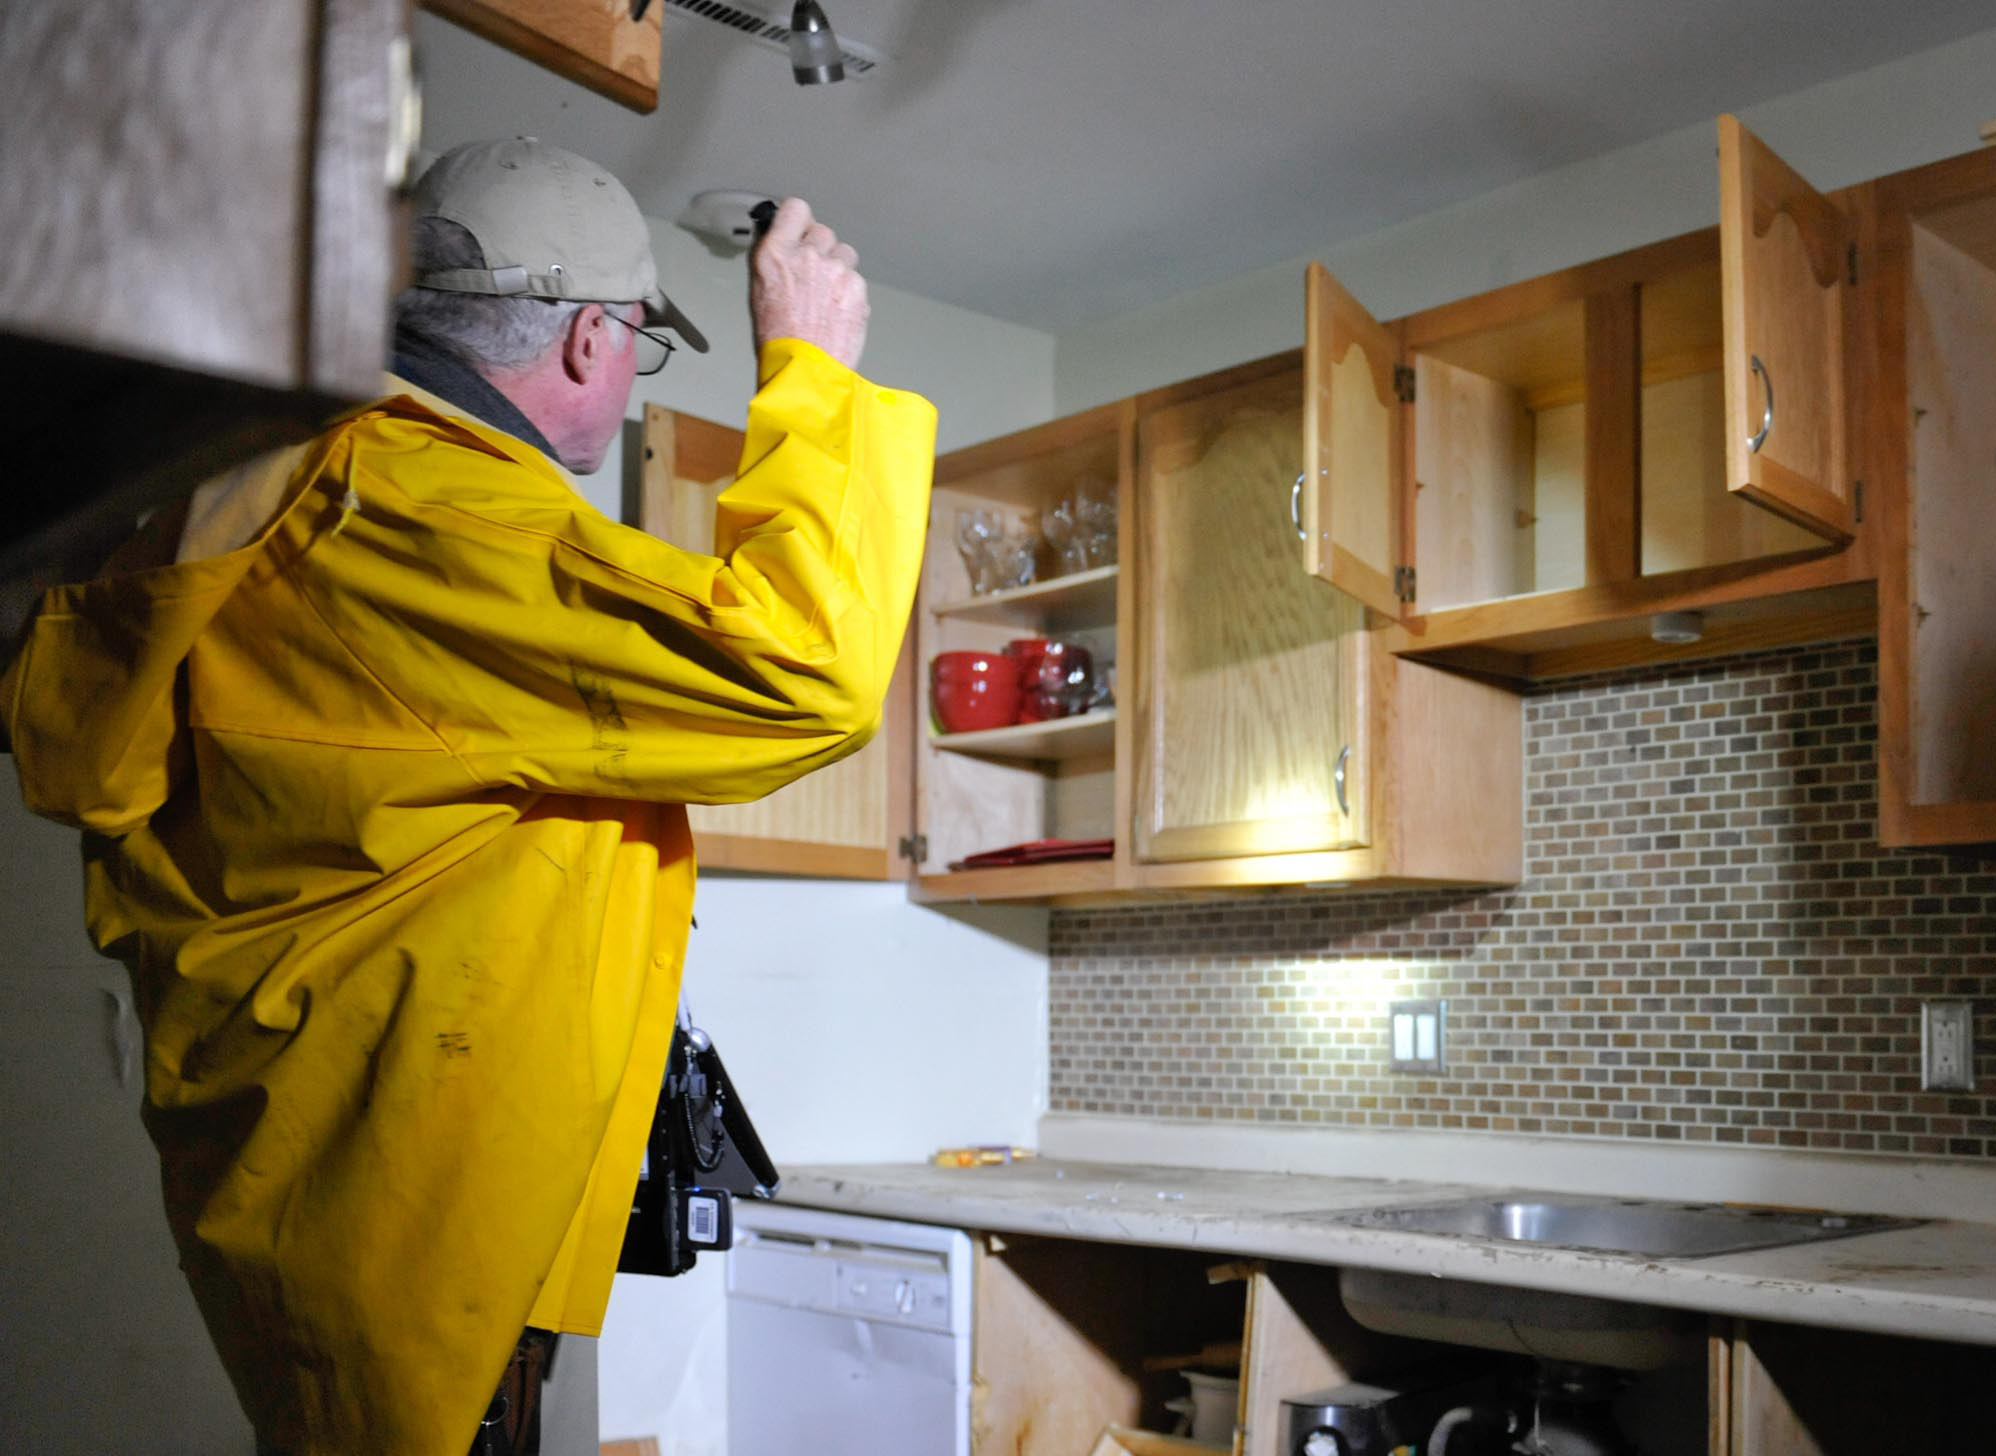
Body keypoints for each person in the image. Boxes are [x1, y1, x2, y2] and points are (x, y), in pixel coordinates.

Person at [0, 137, 935, 1454]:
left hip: (350, 1191)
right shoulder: (415, 507)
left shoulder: (278, 487)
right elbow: (806, 672)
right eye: (637, 346)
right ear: (585, 342)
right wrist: (817, 373)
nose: (626, 372)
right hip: (408, 1206)